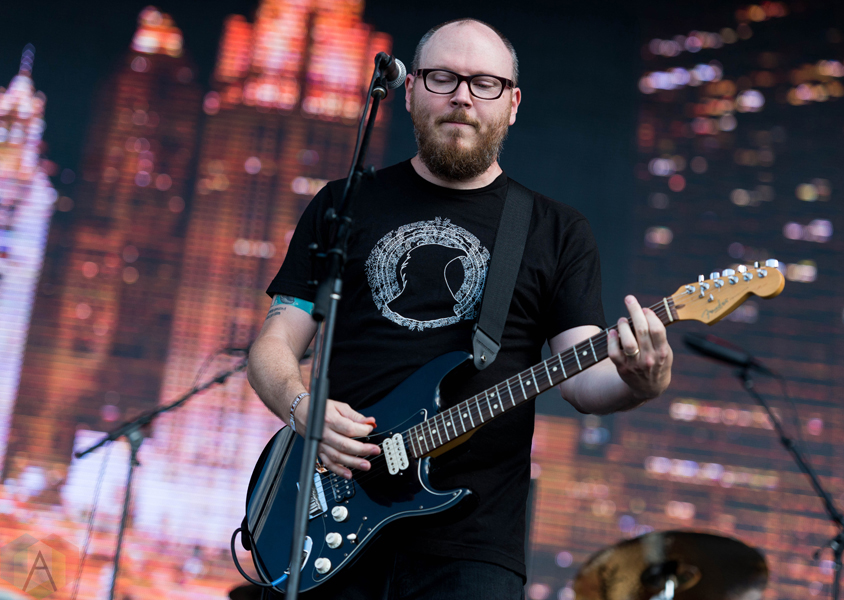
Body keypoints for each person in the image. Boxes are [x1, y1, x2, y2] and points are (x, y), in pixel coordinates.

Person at [247, 18, 673, 600]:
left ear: (513, 104)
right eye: (442, 77)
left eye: (485, 83)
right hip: (327, 515)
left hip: (473, 547)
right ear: (410, 91)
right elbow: (274, 345)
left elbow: (581, 379)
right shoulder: (344, 205)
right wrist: (303, 408)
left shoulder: (555, 230)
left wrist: (642, 382)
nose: (462, 97)